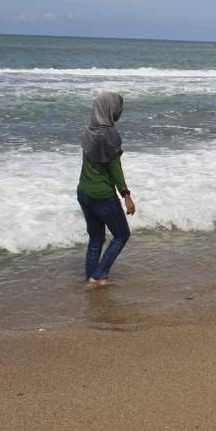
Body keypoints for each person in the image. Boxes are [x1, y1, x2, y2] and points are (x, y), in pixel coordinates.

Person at [76, 92, 136, 286]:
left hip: (84, 192)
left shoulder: (88, 131)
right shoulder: (110, 135)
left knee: (96, 238)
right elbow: (115, 169)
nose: (120, 111)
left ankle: (91, 278)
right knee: (121, 235)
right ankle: (99, 275)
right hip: (103, 195)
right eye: (118, 108)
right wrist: (126, 195)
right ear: (111, 109)